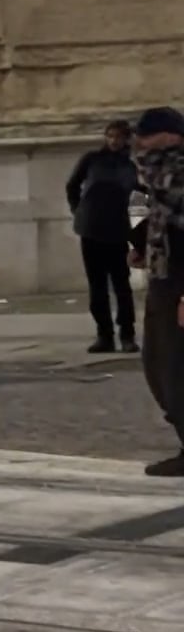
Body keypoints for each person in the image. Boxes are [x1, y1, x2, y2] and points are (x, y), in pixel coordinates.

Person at [131, 108, 184, 477]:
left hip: (179, 281)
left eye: (148, 136)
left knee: (172, 366)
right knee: (158, 363)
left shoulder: (176, 172)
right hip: (163, 275)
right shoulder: (151, 174)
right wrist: (142, 244)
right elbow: (149, 214)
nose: (141, 142)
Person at [66, 120, 142, 353]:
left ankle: (127, 334)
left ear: (126, 139)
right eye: (110, 136)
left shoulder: (129, 166)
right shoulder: (91, 160)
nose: (113, 141)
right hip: (91, 229)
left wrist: (137, 235)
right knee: (97, 286)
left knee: (121, 285)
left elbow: (138, 199)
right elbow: (72, 186)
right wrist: (79, 210)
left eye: (118, 137)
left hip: (117, 232)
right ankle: (104, 335)